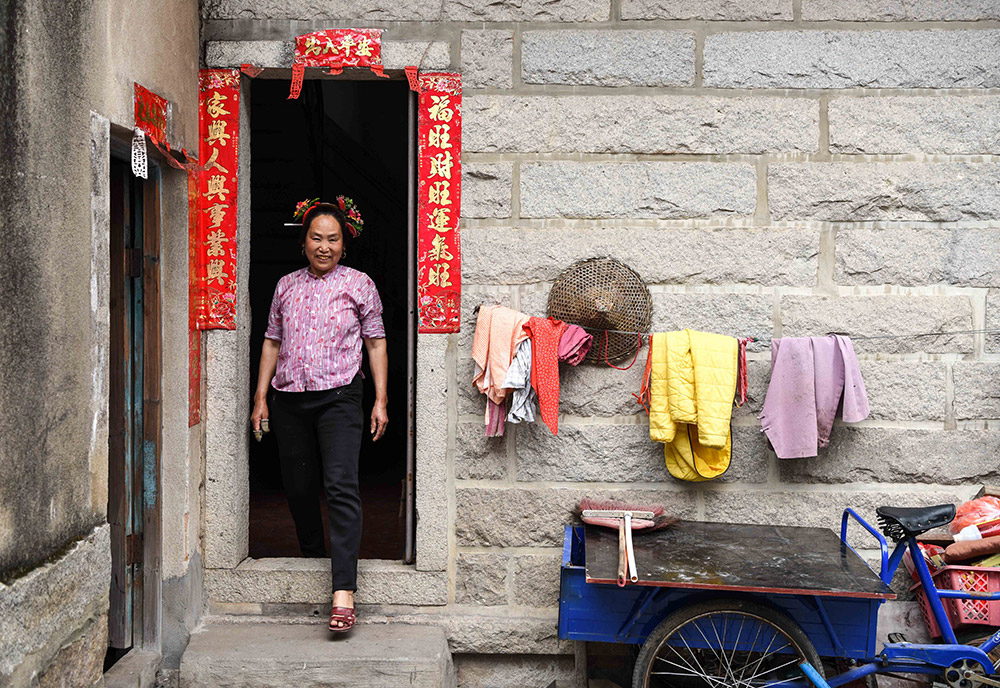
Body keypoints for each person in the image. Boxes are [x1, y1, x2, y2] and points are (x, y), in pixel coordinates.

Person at [251, 197, 388, 633]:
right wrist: (259, 398)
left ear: (344, 243)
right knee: (298, 486)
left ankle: (344, 590)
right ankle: (312, 558)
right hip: (289, 399)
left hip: (341, 397)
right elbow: (272, 342)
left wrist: (380, 400)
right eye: (316, 238)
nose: (324, 246)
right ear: (303, 242)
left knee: (341, 484)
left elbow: (376, 343)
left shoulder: (360, 284)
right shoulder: (285, 286)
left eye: (333, 239)